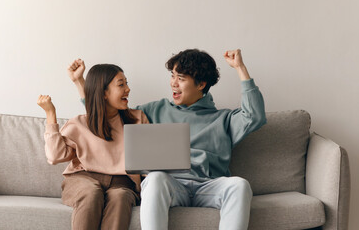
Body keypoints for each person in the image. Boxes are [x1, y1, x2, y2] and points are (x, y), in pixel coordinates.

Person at [71, 49, 266, 230]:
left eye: (180, 78)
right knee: (155, 178)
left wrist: (240, 68)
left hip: (209, 186)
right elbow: (106, 114)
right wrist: (80, 83)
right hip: (170, 186)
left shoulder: (225, 119)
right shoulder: (154, 110)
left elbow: (254, 116)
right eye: (172, 76)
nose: (173, 83)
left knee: (240, 185)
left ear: (201, 84)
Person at [38, 60, 148, 230]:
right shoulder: (79, 123)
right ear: (104, 93)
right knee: (91, 192)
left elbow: (150, 161)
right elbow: (54, 156)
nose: (128, 89)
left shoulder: (138, 119)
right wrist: (50, 114)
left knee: (120, 197)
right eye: (121, 84)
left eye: (127, 83)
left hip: (122, 184)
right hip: (83, 180)